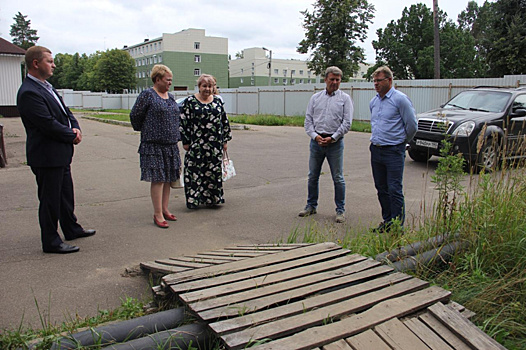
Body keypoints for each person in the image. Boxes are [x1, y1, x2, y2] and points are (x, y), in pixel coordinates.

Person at [17, 46, 96, 254]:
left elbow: (66, 112)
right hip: (46, 156)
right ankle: (51, 241)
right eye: (50, 61)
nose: (53, 65)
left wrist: (75, 126)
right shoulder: (29, 92)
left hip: (60, 155)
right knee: (50, 200)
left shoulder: (47, 87)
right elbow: (47, 123)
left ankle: (71, 228)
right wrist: (72, 135)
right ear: (36, 63)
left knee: (65, 196)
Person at [299, 66, 353, 223]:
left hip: (335, 143)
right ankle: (311, 206)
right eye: (332, 79)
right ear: (325, 80)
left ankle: (340, 210)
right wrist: (316, 137)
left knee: (338, 177)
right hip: (316, 143)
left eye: (338, 80)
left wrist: (333, 137)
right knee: (312, 176)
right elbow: (308, 121)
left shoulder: (345, 99)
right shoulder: (315, 98)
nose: (335, 82)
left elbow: (347, 123)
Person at [130, 64, 182, 229]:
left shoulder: (171, 96)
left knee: (168, 178)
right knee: (158, 179)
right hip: (153, 145)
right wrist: (147, 130)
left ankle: (165, 209)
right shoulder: (147, 95)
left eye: (171, 80)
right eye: (167, 80)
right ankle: (157, 213)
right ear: (157, 79)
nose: (170, 83)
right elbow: (135, 116)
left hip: (171, 145)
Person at [369, 66, 417, 232]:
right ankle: (387, 222)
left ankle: (397, 227)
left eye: (379, 80)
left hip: (393, 151)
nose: (376, 84)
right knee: (381, 189)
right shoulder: (374, 102)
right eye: (374, 81)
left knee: (394, 189)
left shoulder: (400, 100)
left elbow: (412, 125)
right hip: (376, 150)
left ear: (389, 80)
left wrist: (401, 142)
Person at [180, 74, 232, 209]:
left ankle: (214, 199)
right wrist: (185, 141)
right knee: (194, 173)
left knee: (213, 172)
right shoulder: (190, 101)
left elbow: (224, 121)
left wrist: (225, 140)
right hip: (196, 144)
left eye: (210, 86)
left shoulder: (217, 101)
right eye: (204, 86)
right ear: (199, 87)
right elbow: (183, 122)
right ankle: (194, 200)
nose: (207, 89)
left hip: (214, 144)